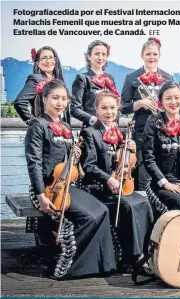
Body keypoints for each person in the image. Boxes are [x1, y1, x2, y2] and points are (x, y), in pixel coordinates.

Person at [25, 79, 116, 279]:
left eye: (64, 99)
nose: (60, 103)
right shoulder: (37, 125)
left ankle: (100, 265)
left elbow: (68, 163)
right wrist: (40, 194)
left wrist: (75, 153)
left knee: (101, 211)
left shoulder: (65, 125)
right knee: (88, 217)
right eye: (55, 98)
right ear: (45, 98)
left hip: (66, 183)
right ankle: (70, 265)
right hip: (46, 188)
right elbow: (34, 163)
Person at [80, 90, 154, 274]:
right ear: (96, 110)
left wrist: (133, 152)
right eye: (104, 108)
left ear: (118, 109)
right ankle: (133, 258)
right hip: (99, 188)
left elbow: (131, 165)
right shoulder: (90, 133)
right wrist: (108, 178)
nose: (109, 112)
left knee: (144, 202)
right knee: (129, 207)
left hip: (121, 185)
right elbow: (88, 166)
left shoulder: (121, 133)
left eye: (112, 108)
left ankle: (147, 253)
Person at [142, 82, 180, 218]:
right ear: (161, 102)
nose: (173, 102)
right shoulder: (153, 121)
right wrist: (166, 184)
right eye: (168, 98)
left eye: (177, 97)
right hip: (161, 182)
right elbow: (149, 158)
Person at [121, 37, 173, 191]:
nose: (152, 57)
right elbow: (123, 107)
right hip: (141, 128)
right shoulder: (132, 77)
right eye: (148, 54)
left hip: (162, 127)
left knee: (161, 162)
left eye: (155, 54)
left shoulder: (168, 77)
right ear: (142, 55)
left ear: (159, 56)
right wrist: (139, 103)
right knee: (142, 165)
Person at [14, 46, 70, 124]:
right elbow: (19, 102)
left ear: (55, 61)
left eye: (51, 57)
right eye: (44, 58)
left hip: (61, 129)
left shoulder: (59, 81)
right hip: (45, 131)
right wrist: (35, 123)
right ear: (38, 63)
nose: (48, 61)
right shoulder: (36, 79)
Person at [71, 40, 118, 127]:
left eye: (103, 54)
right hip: (91, 129)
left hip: (110, 130)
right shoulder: (82, 78)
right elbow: (74, 109)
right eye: (97, 54)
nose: (100, 57)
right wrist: (92, 119)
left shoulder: (110, 78)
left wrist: (115, 122)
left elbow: (116, 104)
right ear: (89, 56)